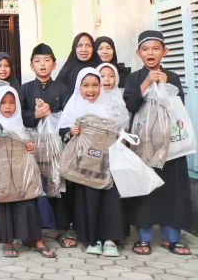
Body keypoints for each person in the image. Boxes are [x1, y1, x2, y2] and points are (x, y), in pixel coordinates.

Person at [123, 30, 192, 256]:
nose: (150, 53)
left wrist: (166, 87)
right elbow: (131, 106)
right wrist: (145, 84)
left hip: (170, 144)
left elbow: (178, 107)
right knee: (145, 187)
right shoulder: (134, 78)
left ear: (164, 51)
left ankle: (171, 238)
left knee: (172, 189)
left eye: (155, 48)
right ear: (138, 53)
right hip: (144, 143)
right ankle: (143, 238)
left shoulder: (172, 77)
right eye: (145, 49)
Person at [58, 68, 124, 256]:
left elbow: (120, 129)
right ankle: (92, 239)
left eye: (95, 85)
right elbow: (61, 130)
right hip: (84, 167)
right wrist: (71, 131)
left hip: (107, 164)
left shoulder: (109, 106)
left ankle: (110, 240)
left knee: (109, 200)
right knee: (87, 199)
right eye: (86, 85)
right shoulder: (74, 106)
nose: (91, 89)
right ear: (79, 87)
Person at [0, 86, 55, 259]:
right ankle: (8, 243)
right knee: (5, 204)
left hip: (21, 170)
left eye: (12, 102)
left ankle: (36, 240)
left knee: (27, 202)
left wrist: (30, 146)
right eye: (3, 103)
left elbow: (25, 141)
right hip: (3, 172)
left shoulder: (19, 121)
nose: (8, 107)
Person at [18, 43, 75, 248]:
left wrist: (51, 114)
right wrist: (36, 115)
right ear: (31, 66)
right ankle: (32, 230)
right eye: (37, 61)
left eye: (47, 60)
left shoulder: (62, 89)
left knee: (58, 184)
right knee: (33, 184)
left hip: (56, 146)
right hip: (31, 145)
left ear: (54, 64)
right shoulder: (24, 89)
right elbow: (16, 115)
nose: (42, 64)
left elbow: (70, 116)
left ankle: (61, 229)